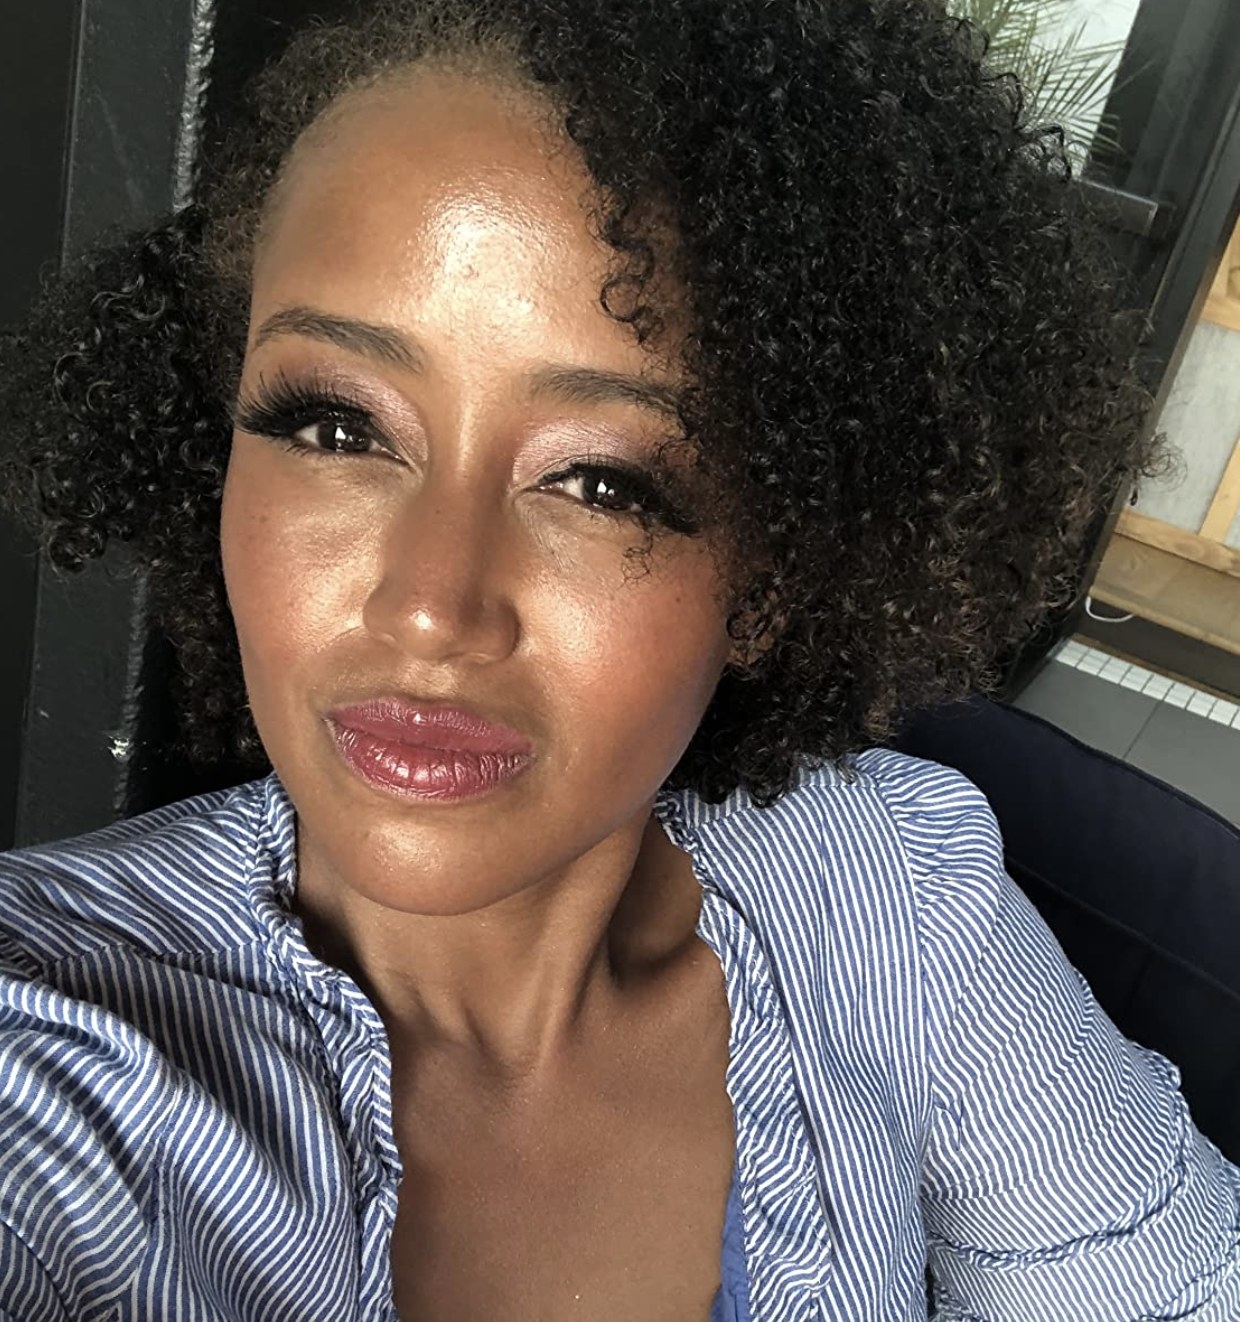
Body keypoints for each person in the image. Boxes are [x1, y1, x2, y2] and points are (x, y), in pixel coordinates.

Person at [1, 0, 1236, 1318]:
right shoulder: (56, 1054)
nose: (431, 607)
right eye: (336, 426)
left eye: (603, 482)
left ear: (770, 579)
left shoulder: (892, 897)